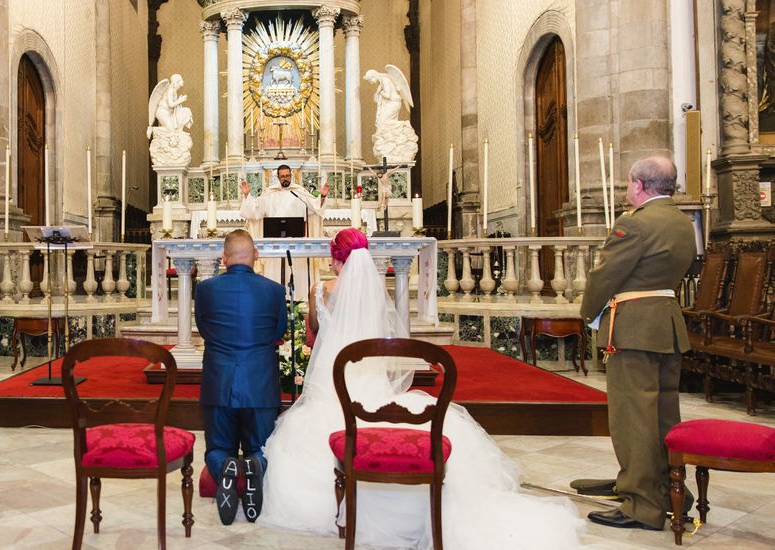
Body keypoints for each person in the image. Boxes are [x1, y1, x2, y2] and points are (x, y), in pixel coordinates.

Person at [259, 228, 586, 549]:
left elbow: (314, 329)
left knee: (302, 434)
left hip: (334, 379)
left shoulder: (321, 290)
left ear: (335, 258)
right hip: (369, 378)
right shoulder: (375, 292)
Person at [580, 156, 697, 531]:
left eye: (629, 183)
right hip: (666, 322)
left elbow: (605, 276)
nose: (627, 189)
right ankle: (663, 489)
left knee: (633, 418)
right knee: (663, 414)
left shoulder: (634, 224)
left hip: (633, 327)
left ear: (640, 185)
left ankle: (640, 504)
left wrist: (587, 313)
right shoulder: (683, 223)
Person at [194, 230, 287, 526]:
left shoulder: (205, 289)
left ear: (224, 258)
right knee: (262, 448)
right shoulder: (273, 290)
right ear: (256, 256)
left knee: (217, 448)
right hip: (260, 386)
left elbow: (204, 329)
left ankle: (226, 466)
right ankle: (253, 465)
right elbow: (278, 333)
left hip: (218, 383)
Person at [239, 164, 329, 301]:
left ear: (291, 176)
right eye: (282, 176)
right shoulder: (270, 194)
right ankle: (274, 300)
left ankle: (299, 300)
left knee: (297, 273)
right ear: (278, 177)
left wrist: (322, 197)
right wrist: (247, 194)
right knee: (275, 275)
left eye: (287, 176)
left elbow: (316, 207)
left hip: (296, 246)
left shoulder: (300, 193)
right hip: (274, 246)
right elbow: (254, 210)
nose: (285, 178)